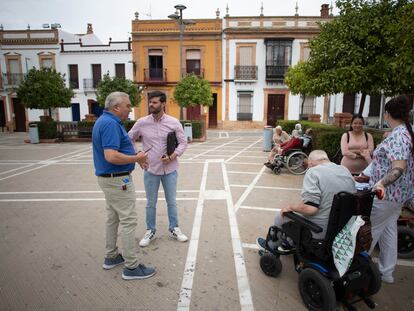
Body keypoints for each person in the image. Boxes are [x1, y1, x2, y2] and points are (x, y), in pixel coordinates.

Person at [92, 91, 156, 280]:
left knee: (113, 218)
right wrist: (137, 157)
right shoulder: (110, 124)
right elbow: (111, 156)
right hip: (118, 180)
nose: (130, 109)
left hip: (110, 179)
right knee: (128, 220)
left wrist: (135, 159)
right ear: (116, 107)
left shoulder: (106, 121)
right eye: (127, 106)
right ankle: (131, 267)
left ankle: (111, 256)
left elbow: (119, 149)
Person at [257, 150, 355, 250]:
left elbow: (310, 209)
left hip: (319, 232)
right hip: (342, 230)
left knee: (281, 216)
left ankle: (270, 248)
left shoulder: (313, 172)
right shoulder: (344, 170)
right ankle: (289, 242)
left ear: (310, 163)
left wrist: (289, 207)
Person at [128, 91, 188, 247]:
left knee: (172, 201)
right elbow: (129, 138)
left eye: (154, 102)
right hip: (151, 169)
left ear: (163, 104)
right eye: (150, 102)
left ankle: (174, 228)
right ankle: (150, 230)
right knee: (150, 202)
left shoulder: (174, 122)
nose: (150, 105)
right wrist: (137, 155)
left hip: (170, 169)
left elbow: (183, 143)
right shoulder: (141, 122)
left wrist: (173, 156)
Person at [369, 95, 414, 284]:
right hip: (398, 197)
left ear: (387, 114)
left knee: (368, 232)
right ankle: (386, 273)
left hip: (386, 196)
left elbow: (398, 168)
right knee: (388, 232)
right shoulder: (406, 133)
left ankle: (354, 270)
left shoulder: (398, 137)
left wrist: (381, 183)